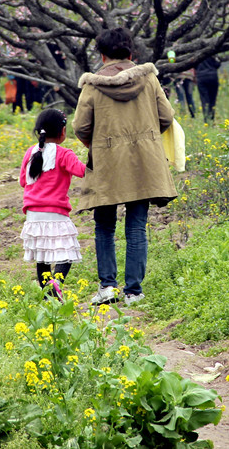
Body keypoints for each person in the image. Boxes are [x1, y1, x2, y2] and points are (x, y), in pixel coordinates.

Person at [72, 27, 177, 306]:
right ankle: (133, 291)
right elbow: (166, 116)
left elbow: (80, 126)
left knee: (104, 226)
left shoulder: (92, 86)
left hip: (107, 164)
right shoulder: (150, 79)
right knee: (137, 226)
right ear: (131, 53)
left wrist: (98, 146)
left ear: (103, 55)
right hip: (145, 163)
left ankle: (107, 287)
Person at [20, 109, 86, 299]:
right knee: (66, 252)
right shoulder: (65, 154)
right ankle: (56, 283)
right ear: (63, 131)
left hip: (33, 216)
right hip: (56, 213)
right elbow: (83, 171)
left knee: (42, 257)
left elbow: (23, 182)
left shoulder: (30, 153)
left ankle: (49, 296)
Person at [195, 56, 220, 123]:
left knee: (204, 99)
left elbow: (194, 65)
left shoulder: (197, 53)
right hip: (213, 76)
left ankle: (206, 120)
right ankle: (211, 118)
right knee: (212, 99)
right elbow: (217, 64)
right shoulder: (212, 51)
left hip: (201, 77)